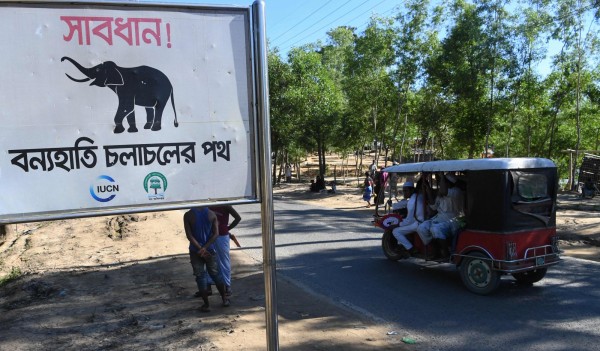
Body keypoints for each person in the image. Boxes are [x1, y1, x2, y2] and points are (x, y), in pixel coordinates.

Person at [183, 207, 230, 312]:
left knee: (200, 277)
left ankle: (206, 305)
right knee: (216, 274)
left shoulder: (188, 215)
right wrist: (205, 248)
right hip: (210, 250)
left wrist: (200, 249)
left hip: (195, 251)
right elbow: (216, 234)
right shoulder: (212, 214)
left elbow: (189, 235)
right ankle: (225, 299)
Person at [417, 173, 465, 258]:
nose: (440, 184)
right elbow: (433, 207)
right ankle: (435, 250)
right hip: (440, 218)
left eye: (443, 182)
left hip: (453, 220)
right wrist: (428, 191)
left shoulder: (456, 191)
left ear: (449, 183)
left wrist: (442, 175)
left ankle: (446, 252)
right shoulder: (442, 193)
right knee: (421, 228)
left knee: (436, 229)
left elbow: (443, 191)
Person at [206, 205, 241, 297]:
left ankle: (227, 285)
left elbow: (238, 218)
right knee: (209, 259)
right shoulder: (207, 204)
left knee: (224, 260)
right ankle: (208, 285)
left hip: (222, 236)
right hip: (209, 235)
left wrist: (226, 228)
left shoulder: (225, 205)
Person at [391, 180, 425, 256]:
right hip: (423, 220)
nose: (404, 193)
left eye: (406, 191)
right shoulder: (419, 195)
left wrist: (398, 224)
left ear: (412, 190)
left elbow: (409, 221)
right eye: (403, 191)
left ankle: (411, 249)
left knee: (396, 231)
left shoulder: (412, 201)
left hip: (418, 223)